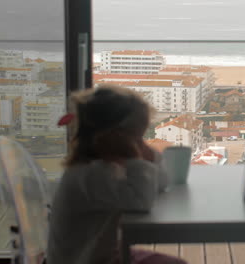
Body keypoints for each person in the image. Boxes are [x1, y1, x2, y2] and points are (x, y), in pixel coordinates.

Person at [48, 85, 186, 264]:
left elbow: (159, 183)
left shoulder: (105, 166)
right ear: (115, 138)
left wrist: (147, 156)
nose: (141, 144)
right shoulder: (91, 174)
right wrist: (136, 158)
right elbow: (141, 202)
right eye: (136, 138)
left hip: (102, 255)